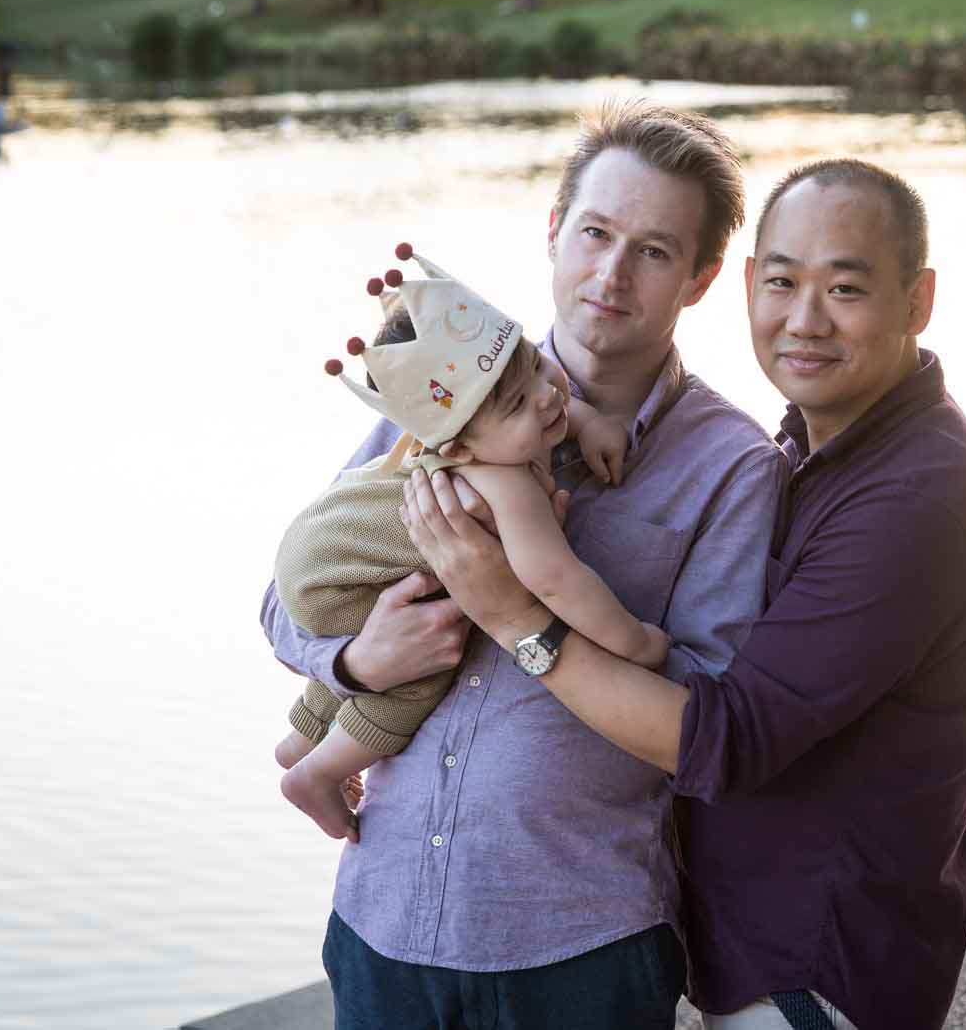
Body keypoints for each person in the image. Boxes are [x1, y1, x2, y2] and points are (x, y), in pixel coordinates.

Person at [405, 158, 966, 1030]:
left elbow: (723, 737)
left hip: (816, 973)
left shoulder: (919, 496)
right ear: (744, 287)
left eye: (845, 288)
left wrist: (515, 617)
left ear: (916, 302)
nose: (803, 319)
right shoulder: (818, 449)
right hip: (753, 961)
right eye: (782, 282)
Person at [260, 101, 785, 1030]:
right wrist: (358, 662)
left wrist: (517, 615)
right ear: (553, 232)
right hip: (384, 918)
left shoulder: (732, 467)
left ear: (700, 280)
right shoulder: (442, 391)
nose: (611, 274)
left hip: (579, 945)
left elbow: (700, 720)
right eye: (595, 232)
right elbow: (288, 600)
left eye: (655, 251)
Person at [270, 245, 663, 844]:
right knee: (426, 656)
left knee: (391, 613)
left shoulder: (474, 427)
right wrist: (632, 640)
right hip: (329, 572)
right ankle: (319, 772)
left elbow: (531, 394)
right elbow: (555, 577)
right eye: (515, 402)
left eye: (534, 362)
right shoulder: (504, 483)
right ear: (457, 451)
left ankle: (302, 733)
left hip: (324, 541)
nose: (546, 395)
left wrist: (587, 421)